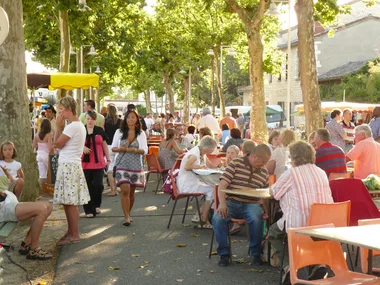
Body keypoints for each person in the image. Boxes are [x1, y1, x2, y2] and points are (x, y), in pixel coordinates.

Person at [268, 141, 333, 282]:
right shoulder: (321, 172)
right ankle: (318, 264)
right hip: (324, 223)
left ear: (293, 157)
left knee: (273, 233)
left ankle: (290, 267)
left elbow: (274, 193)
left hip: (299, 224)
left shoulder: (291, 173)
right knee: (312, 237)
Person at [212, 144, 271, 267]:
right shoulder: (236, 163)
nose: (264, 164)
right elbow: (222, 185)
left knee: (256, 219)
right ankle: (224, 254)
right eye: (263, 161)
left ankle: (255, 253)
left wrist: (267, 211)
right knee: (218, 219)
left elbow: (265, 193)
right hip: (232, 202)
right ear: (255, 157)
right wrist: (222, 204)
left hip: (251, 203)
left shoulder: (264, 171)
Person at [53, 96, 90, 246]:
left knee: (70, 203)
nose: (60, 113)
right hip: (71, 165)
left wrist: (58, 126)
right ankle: (71, 232)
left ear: (68, 109)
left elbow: (57, 144)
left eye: (61, 110)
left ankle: (74, 234)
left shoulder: (72, 126)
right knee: (68, 202)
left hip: (69, 165)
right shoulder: (78, 125)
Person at [112, 110, 148, 226]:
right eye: (128, 117)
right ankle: (126, 217)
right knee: (125, 190)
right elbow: (113, 148)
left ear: (137, 119)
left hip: (135, 165)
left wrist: (134, 150)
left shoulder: (141, 133)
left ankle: (128, 213)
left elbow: (145, 150)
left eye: (133, 117)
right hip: (122, 163)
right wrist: (120, 149)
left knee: (131, 192)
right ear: (125, 119)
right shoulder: (119, 132)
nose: (131, 120)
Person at [0, 189, 53, 260]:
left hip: (5, 203)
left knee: (48, 206)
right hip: (3, 208)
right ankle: (34, 249)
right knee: (42, 209)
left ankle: (27, 242)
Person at [177, 136, 217, 228]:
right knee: (212, 190)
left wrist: (218, 166)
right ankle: (203, 218)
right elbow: (187, 167)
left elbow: (210, 165)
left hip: (189, 182)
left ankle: (199, 215)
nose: (213, 150)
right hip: (187, 184)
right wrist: (199, 166)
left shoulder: (199, 152)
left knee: (212, 189)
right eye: (213, 148)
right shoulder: (195, 154)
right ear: (208, 148)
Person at [82, 111, 110, 218]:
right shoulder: (82, 130)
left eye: (92, 119)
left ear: (95, 120)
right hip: (86, 163)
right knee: (87, 186)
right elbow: (75, 143)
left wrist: (108, 159)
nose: (90, 121)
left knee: (98, 185)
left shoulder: (99, 130)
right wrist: (82, 147)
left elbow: (104, 145)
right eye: (88, 118)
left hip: (98, 162)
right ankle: (88, 209)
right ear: (85, 119)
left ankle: (96, 204)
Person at [104, 104, 122, 197]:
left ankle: (113, 190)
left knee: (110, 170)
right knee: (119, 167)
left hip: (108, 146)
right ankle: (120, 187)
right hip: (119, 147)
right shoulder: (120, 121)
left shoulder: (105, 121)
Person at [33, 119, 53, 187]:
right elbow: (50, 147)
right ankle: (50, 188)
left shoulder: (36, 135)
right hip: (46, 155)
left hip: (39, 155)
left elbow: (34, 146)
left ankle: (40, 189)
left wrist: (39, 145)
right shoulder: (49, 135)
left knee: (42, 174)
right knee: (51, 173)